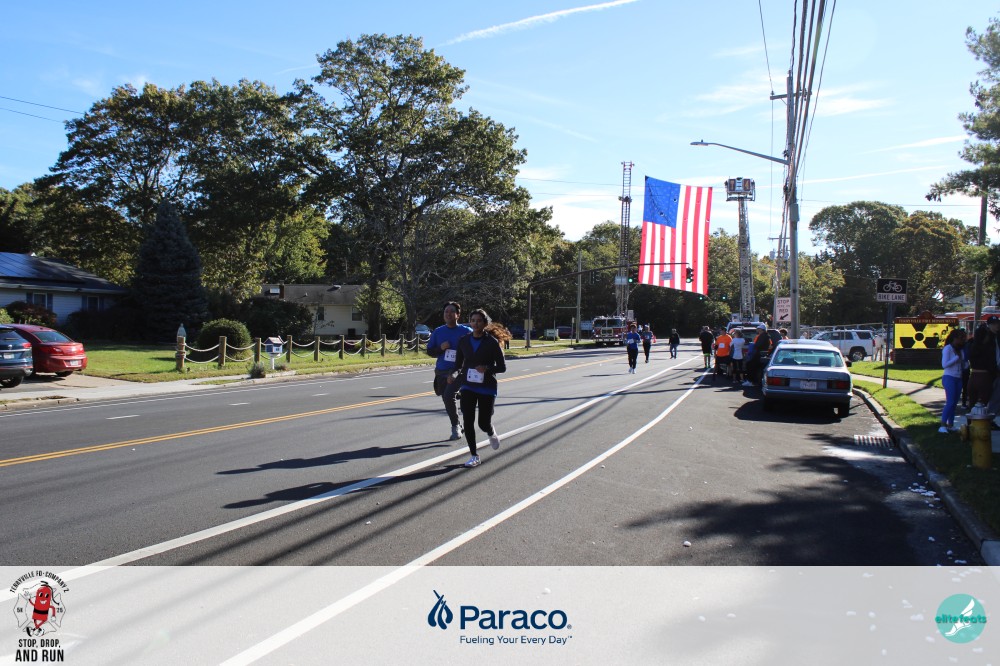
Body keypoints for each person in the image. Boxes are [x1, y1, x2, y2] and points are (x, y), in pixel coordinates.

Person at [449, 309, 510, 468]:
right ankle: (474, 455)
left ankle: (490, 432)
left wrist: (487, 368)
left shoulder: (491, 342)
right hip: (468, 385)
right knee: (468, 421)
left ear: (485, 323)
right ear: (470, 322)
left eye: (479, 321)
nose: (475, 323)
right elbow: (458, 365)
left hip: (486, 387)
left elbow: (502, 367)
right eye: (473, 320)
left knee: (483, 423)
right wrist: (453, 375)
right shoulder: (463, 340)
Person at [427, 301, 472, 440]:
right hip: (441, 371)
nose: (448, 314)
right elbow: (430, 351)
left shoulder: (466, 332)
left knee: (448, 396)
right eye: (446, 311)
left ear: (458, 315)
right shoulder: (438, 331)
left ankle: (455, 427)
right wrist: (440, 348)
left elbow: (475, 349)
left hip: (459, 371)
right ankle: (458, 421)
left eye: (452, 311)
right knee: (447, 399)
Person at [940, 328, 967, 433]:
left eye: (964, 338)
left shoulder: (960, 350)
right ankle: (942, 425)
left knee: (955, 403)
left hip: (958, 378)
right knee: (950, 402)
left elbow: (963, 363)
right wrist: (956, 358)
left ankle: (950, 425)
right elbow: (944, 364)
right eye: (961, 338)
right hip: (949, 377)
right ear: (954, 338)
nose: (963, 340)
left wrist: (965, 364)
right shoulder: (948, 348)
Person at [967, 324, 995, 408]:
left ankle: (971, 416)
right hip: (984, 377)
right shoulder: (988, 349)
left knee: (972, 404)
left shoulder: (972, 347)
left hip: (973, 377)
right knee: (983, 405)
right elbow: (991, 365)